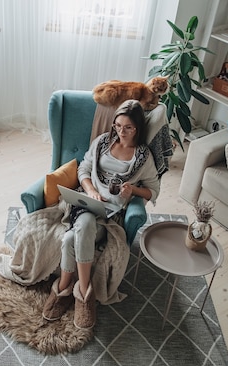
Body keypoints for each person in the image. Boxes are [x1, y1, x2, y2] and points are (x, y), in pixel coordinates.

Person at [42, 99, 161, 329]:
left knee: (69, 239)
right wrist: (92, 191)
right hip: (86, 203)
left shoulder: (143, 158)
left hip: (111, 215)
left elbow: (153, 190)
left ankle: (64, 288)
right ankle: (84, 292)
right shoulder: (102, 143)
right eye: (117, 126)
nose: (121, 132)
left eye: (128, 128)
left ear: (138, 128)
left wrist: (133, 189)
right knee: (85, 222)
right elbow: (83, 169)